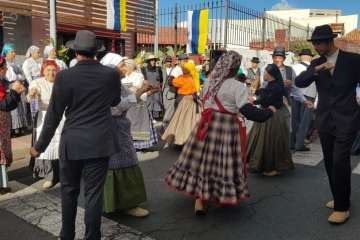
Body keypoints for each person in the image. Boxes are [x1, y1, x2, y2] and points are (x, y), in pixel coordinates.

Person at [29, 30, 121, 239]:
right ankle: (92, 236)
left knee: (69, 192)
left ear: (75, 51)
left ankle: (67, 235)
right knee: (94, 195)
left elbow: (53, 115)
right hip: (100, 142)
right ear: (96, 52)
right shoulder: (111, 74)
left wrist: (40, 146)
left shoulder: (64, 77)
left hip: (72, 143)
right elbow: (115, 101)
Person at [165, 51, 275, 215]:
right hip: (226, 128)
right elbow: (247, 111)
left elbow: (204, 100)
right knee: (222, 163)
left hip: (206, 125)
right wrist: (269, 112)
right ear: (235, 67)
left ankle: (199, 200)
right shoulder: (237, 86)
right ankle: (221, 195)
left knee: (203, 162)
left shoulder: (210, 81)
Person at [295, 24, 360, 224]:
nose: (315, 46)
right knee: (330, 162)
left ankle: (343, 207)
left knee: (340, 161)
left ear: (330, 41)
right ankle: (340, 197)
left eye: (319, 43)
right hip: (324, 119)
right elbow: (299, 82)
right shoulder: (317, 63)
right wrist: (317, 69)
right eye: (314, 43)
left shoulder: (353, 60)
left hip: (347, 119)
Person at [100, 53, 149, 217]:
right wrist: (140, 91)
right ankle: (126, 204)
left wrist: (143, 91)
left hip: (118, 127)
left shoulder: (116, 83)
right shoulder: (105, 85)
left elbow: (129, 97)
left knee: (122, 161)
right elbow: (114, 108)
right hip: (112, 127)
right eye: (121, 65)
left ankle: (118, 203)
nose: (124, 67)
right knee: (121, 162)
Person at [248, 64, 294, 176]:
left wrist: (254, 101)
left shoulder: (276, 86)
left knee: (271, 141)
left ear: (271, 75)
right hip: (267, 114)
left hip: (273, 116)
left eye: (265, 73)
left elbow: (266, 99)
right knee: (264, 141)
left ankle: (272, 167)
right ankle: (265, 165)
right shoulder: (271, 84)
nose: (263, 75)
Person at [27, 60, 64, 189]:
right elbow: (32, 94)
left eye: (54, 70)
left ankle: (63, 174)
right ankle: (50, 176)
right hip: (45, 118)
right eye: (48, 70)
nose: (51, 72)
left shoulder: (61, 82)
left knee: (62, 145)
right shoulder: (38, 82)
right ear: (43, 70)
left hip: (62, 118)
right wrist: (33, 94)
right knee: (47, 147)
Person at [269, 46, 312, 150]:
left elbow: (295, 89)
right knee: (270, 133)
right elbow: (263, 87)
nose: (277, 59)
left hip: (284, 105)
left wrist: (304, 101)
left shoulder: (289, 70)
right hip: (269, 106)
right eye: (276, 57)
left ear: (284, 59)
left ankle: (281, 158)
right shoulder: (267, 69)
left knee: (285, 131)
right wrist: (280, 84)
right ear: (273, 58)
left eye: (280, 57)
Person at [0, 57, 25, 194]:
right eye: (3, 68)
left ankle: (3, 183)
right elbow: (4, 104)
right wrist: (15, 91)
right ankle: (2, 185)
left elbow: (8, 104)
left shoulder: (2, 82)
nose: (5, 70)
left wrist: (15, 92)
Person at [121, 58, 158, 151]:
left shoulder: (138, 76)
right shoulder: (123, 77)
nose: (123, 68)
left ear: (130, 67)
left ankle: (141, 145)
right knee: (129, 124)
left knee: (139, 124)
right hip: (127, 103)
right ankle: (130, 144)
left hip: (138, 104)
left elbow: (138, 88)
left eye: (124, 66)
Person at [162, 62, 201, 146]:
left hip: (183, 100)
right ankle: (190, 140)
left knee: (179, 120)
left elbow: (172, 82)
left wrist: (172, 77)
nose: (182, 70)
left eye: (184, 69)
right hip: (193, 101)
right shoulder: (195, 76)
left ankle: (180, 139)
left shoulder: (183, 78)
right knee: (191, 121)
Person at [1, 43, 31, 135]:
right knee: (13, 109)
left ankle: (20, 127)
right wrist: (18, 77)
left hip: (17, 88)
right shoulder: (4, 63)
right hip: (10, 88)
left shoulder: (15, 64)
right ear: (6, 53)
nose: (14, 53)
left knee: (20, 107)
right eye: (12, 52)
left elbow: (23, 76)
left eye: (14, 51)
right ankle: (14, 129)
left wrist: (18, 77)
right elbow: (10, 77)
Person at [292, 49, 317, 151]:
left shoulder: (293, 67)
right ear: (310, 57)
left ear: (300, 56)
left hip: (294, 95)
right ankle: (300, 144)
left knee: (295, 120)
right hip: (309, 95)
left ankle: (292, 142)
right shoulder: (314, 68)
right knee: (304, 121)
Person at [141, 54, 163, 120]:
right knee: (148, 105)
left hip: (156, 91)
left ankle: (156, 119)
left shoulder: (158, 69)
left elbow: (161, 80)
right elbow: (143, 80)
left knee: (156, 106)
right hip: (148, 91)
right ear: (148, 62)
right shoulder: (144, 70)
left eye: (154, 61)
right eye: (152, 61)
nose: (153, 62)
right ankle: (148, 119)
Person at [162, 55, 176, 127]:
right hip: (164, 89)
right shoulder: (162, 69)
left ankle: (166, 122)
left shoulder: (174, 70)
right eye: (167, 61)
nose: (169, 63)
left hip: (171, 89)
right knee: (165, 106)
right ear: (165, 62)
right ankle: (165, 121)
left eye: (170, 61)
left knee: (170, 106)